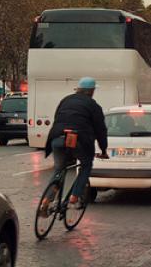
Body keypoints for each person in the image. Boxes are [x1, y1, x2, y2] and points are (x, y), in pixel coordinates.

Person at [44, 77, 109, 206]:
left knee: (59, 169)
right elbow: (101, 130)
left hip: (57, 137)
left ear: (78, 89)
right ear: (91, 91)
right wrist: (103, 149)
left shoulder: (65, 100)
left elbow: (57, 118)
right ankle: (75, 195)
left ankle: (47, 199)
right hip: (79, 139)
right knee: (86, 165)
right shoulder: (94, 106)